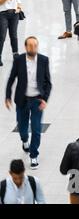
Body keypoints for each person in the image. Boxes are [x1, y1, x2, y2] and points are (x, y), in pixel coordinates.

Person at [5, 37, 52, 170]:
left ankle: (33, 155)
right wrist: (8, 96)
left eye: (35, 45)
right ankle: (24, 140)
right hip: (22, 100)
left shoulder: (43, 60)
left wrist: (45, 99)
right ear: (25, 47)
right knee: (22, 128)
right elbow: (11, 78)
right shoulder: (19, 60)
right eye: (30, 46)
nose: (33, 48)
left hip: (37, 100)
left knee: (37, 130)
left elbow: (48, 83)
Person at [0, 0, 21, 66]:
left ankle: (15, 54)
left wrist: (19, 7)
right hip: (2, 14)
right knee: (2, 36)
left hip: (14, 13)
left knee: (14, 35)